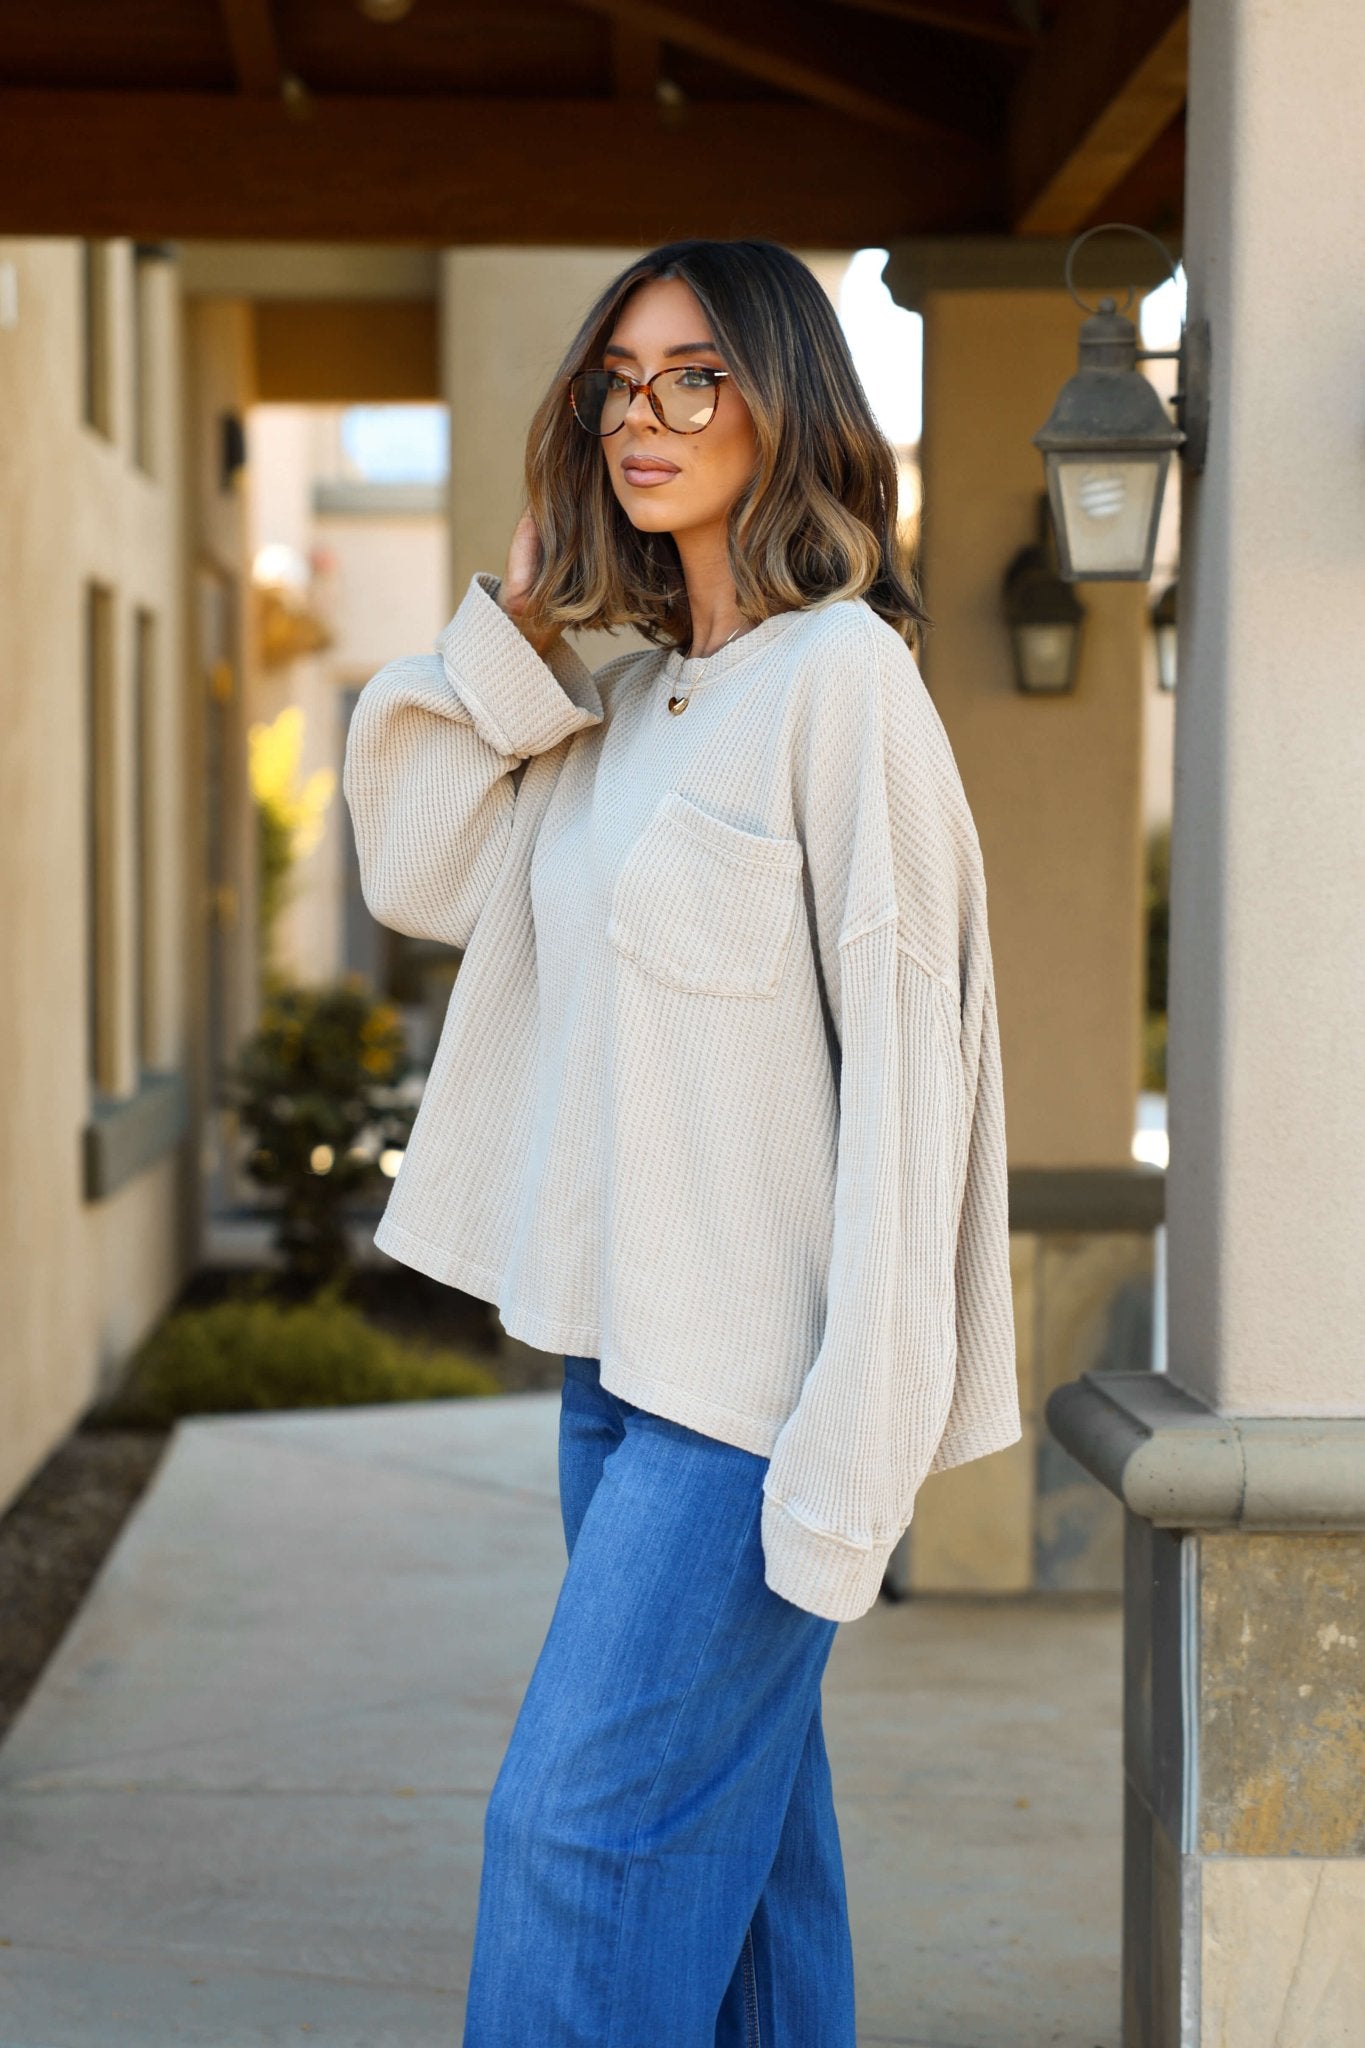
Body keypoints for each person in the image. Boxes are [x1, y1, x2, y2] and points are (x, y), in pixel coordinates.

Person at [341, 237, 1021, 2048]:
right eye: (615, 382)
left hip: (750, 1406)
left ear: (783, 399)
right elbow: (414, 866)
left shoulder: (842, 687)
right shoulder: (623, 708)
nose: (646, 416)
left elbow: (912, 1077)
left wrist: (853, 1451)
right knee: (751, 1873)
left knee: (575, 1837)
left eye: (694, 375)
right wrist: (517, 617)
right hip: (617, 1382)